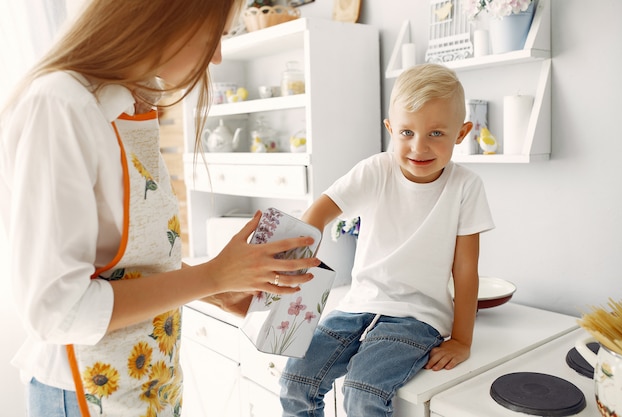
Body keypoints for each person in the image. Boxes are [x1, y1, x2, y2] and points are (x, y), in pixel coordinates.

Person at [0, 1, 321, 416]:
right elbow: (57, 310)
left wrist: (216, 292)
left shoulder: (129, 105)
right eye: (215, 37)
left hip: (148, 387)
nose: (218, 56)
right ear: (166, 16)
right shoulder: (61, 104)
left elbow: (130, 268)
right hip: (82, 394)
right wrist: (212, 274)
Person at [279, 63, 495, 417]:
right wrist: (293, 266)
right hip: (356, 305)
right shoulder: (375, 170)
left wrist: (462, 339)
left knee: (362, 391)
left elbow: (466, 268)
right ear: (390, 129)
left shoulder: (466, 186)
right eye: (407, 132)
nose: (419, 146)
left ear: (462, 132)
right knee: (295, 380)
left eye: (436, 133)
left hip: (417, 316)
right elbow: (317, 216)